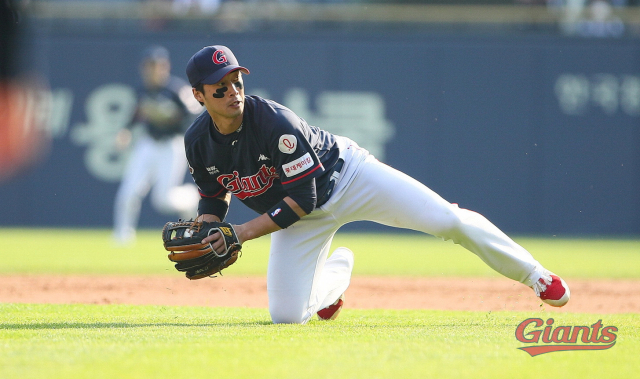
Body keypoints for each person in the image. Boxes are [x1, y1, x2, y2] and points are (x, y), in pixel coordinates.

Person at [183, 45, 571, 324]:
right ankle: (335, 279)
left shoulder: (274, 123)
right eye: (220, 87)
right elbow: (213, 196)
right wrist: (206, 227)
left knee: (446, 220)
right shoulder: (197, 141)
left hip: (349, 178)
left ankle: (534, 274)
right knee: (286, 316)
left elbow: (304, 195)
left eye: (236, 81)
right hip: (297, 218)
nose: (233, 92)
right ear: (199, 95)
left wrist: (241, 233)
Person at [112, 45, 201, 245]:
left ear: (165, 66)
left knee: (163, 201)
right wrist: (126, 130)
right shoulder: (142, 89)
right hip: (148, 143)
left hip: (171, 145)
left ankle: (190, 197)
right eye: (149, 65)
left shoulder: (176, 90)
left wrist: (173, 118)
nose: (153, 70)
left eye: (157, 65)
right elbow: (136, 112)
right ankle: (122, 237)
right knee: (128, 192)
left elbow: (194, 116)